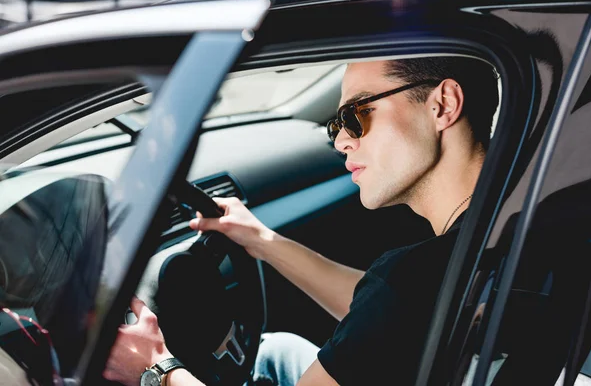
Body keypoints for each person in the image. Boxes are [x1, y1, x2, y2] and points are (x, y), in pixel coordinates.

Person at [103, 56, 499, 386]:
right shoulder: (507, 229)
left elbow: (392, 303)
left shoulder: (411, 278)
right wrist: (262, 241)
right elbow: (389, 313)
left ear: (443, 104)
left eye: (357, 113)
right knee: (274, 352)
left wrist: (156, 368)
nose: (342, 141)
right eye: (335, 124)